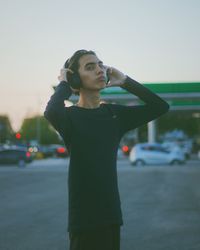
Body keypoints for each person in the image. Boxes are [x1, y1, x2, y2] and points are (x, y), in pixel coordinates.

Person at [44, 49, 169, 250]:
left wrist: (126, 81)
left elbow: (160, 107)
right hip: (84, 220)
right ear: (76, 79)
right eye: (90, 67)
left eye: (100, 65)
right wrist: (65, 83)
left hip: (111, 215)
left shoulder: (114, 115)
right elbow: (51, 111)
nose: (99, 70)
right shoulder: (69, 117)